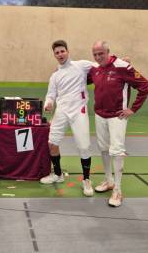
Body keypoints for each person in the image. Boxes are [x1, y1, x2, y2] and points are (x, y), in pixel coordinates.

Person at [89, 41, 148, 207]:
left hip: (118, 116)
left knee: (116, 151)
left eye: (101, 53)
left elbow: (145, 86)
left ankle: (118, 190)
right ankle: (108, 181)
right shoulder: (95, 69)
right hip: (99, 115)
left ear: (108, 51)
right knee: (103, 148)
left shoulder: (122, 66)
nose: (98, 57)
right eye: (95, 54)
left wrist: (133, 109)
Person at [41, 40, 96, 197]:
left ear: (67, 51)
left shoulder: (81, 65)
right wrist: (49, 103)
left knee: (84, 146)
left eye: (62, 51)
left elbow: (102, 65)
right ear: (54, 55)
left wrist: (120, 61)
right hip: (62, 111)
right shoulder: (55, 76)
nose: (60, 54)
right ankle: (57, 175)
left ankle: (86, 180)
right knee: (52, 143)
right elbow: (51, 94)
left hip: (79, 110)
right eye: (57, 53)